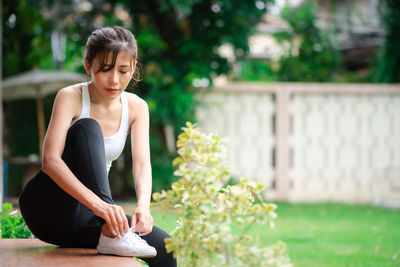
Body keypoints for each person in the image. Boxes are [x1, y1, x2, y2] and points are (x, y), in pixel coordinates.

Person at [19, 26, 176, 267]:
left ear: (134, 68)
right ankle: (112, 233)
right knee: (88, 127)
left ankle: (111, 234)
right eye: (104, 69)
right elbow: (50, 162)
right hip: (46, 209)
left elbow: (142, 164)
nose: (114, 80)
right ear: (87, 66)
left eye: (123, 70)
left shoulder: (136, 107)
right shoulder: (69, 97)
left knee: (165, 249)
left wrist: (143, 206)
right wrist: (103, 207)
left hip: (89, 218)